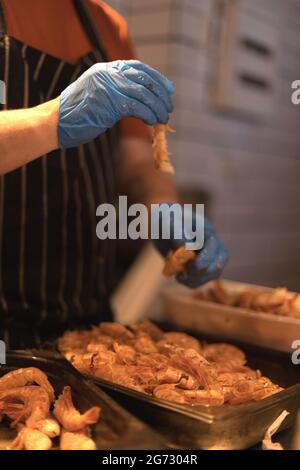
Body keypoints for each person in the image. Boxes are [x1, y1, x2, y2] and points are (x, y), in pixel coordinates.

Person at [0, 0, 228, 348]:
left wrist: (163, 206)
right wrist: (50, 122)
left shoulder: (106, 25)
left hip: (88, 331)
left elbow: (135, 160)